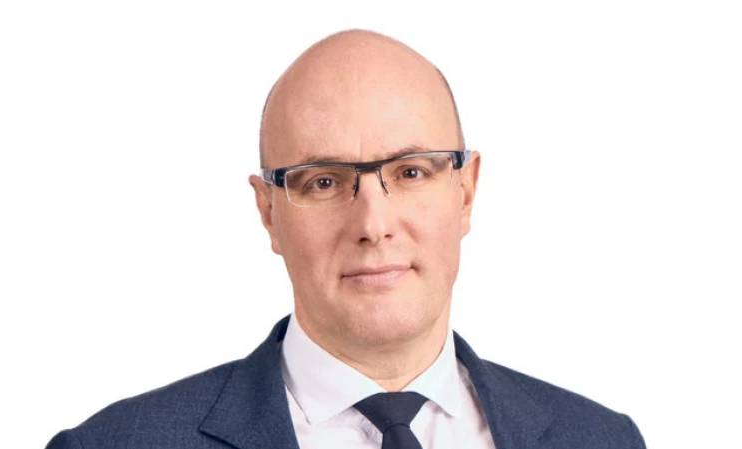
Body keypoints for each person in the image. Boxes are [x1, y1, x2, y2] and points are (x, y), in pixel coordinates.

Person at [46, 29, 646, 449]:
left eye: (411, 172)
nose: (372, 225)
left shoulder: (603, 440)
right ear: (268, 212)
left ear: (465, 193)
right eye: (324, 181)